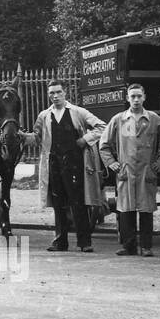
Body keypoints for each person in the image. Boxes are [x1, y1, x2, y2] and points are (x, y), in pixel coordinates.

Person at [20, 82, 106, 253]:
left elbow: (102, 126)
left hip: (75, 164)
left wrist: (85, 139)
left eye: (58, 92)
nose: (55, 96)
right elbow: (37, 138)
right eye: (52, 93)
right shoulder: (44, 115)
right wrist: (22, 136)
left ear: (65, 92)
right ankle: (60, 242)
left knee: (78, 203)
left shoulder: (78, 112)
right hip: (54, 164)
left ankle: (84, 242)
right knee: (58, 204)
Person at [99, 84, 160, 257]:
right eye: (132, 96)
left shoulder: (154, 119)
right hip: (126, 171)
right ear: (127, 98)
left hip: (147, 172)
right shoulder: (119, 120)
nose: (136, 100)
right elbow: (104, 145)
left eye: (139, 96)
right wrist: (112, 163)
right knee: (125, 210)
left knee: (146, 210)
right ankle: (128, 246)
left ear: (144, 97)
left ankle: (146, 247)